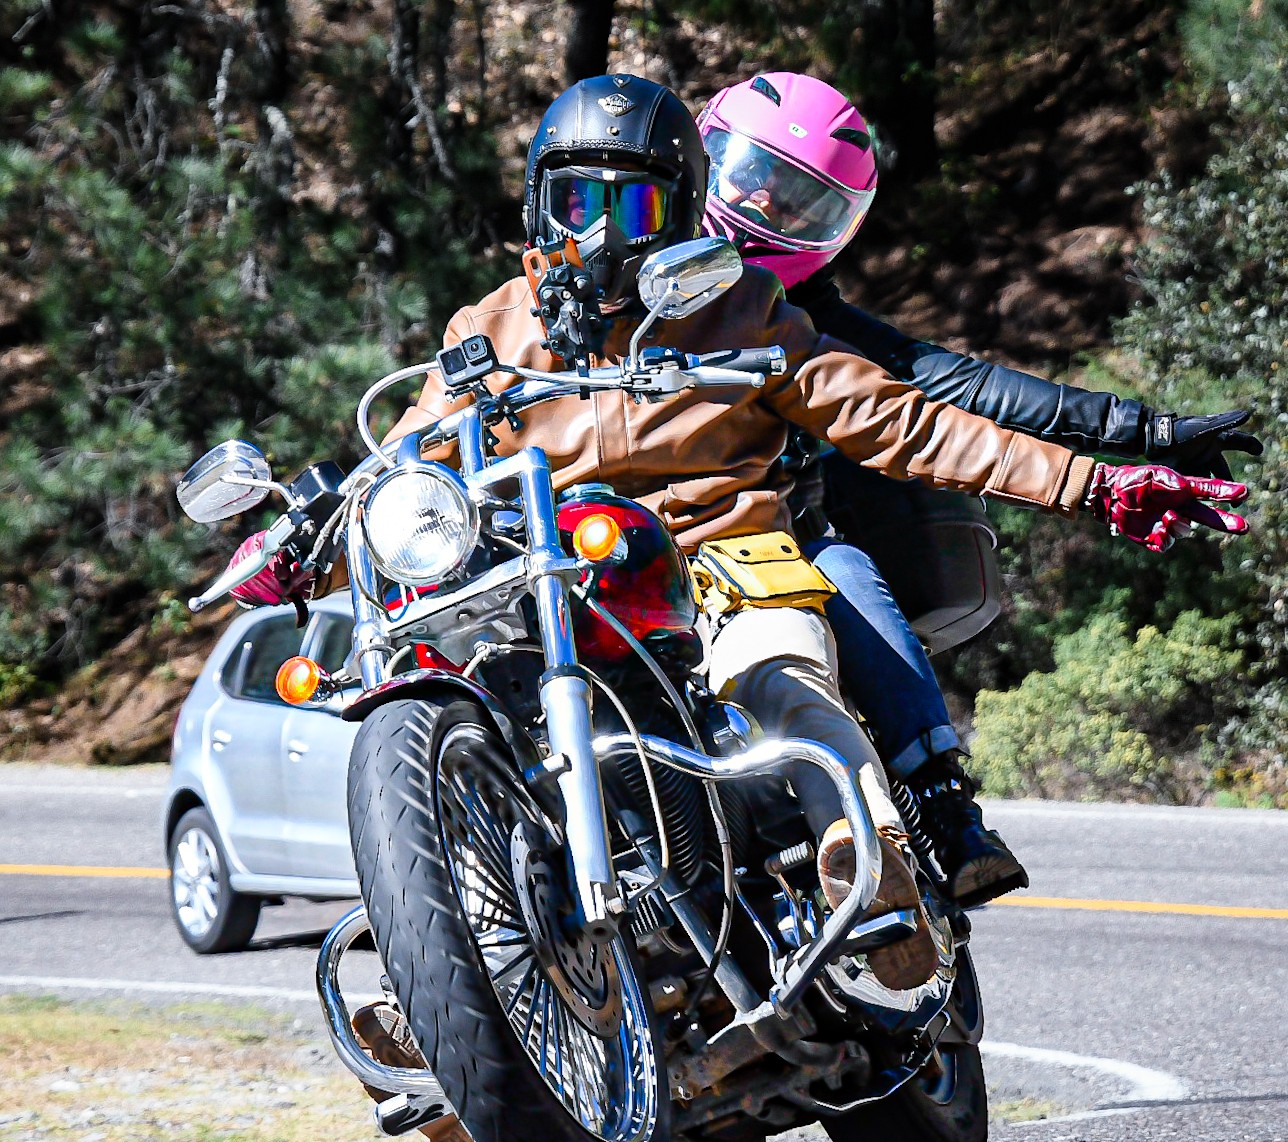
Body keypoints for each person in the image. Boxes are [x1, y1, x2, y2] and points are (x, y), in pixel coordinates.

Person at [229, 75, 1248, 985]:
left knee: (783, 672)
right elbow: (402, 461)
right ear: (539, 204)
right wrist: (299, 546)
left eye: (634, 206)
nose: (602, 234)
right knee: (464, 711)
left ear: (679, 209)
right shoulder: (486, 329)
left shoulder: (745, 310)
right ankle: (439, 989)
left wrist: (1092, 482)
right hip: (543, 578)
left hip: (719, 557)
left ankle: (864, 853)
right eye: (579, 204)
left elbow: (907, 419)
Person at [697, 71, 1263, 905]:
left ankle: (944, 810)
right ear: (703, 158)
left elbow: (955, 388)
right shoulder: (601, 285)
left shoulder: (805, 323)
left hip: (769, 540)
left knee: (842, 576)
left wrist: (1142, 431)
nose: (760, 206)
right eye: (751, 175)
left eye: (797, 202)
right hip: (614, 535)